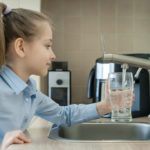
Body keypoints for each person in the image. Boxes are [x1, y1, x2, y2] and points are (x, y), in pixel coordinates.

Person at [0, 2, 134, 150]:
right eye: (47, 46)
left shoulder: (30, 92)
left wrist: (105, 106)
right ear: (21, 47)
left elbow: (63, 115)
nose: (53, 55)